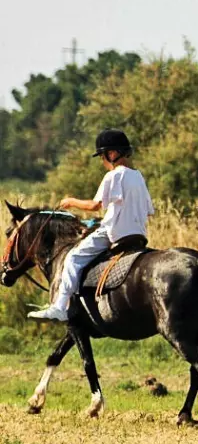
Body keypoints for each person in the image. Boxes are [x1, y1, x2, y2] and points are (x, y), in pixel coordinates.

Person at [28, 129, 154, 322]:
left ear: (112, 154)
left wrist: (70, 201)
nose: (102, 161)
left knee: (73, 258)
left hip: (114, 233)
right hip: (138, 233)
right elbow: (147, 210)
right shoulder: (138, 177)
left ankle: (59, 307)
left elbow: (95, 205)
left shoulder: (114, 176)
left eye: (102, 157)